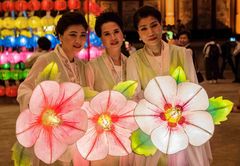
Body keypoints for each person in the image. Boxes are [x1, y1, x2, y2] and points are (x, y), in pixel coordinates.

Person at [127, 6, 211, 166]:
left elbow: (193, 88)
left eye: (154, 25)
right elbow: (135, 97)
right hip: (152, 128)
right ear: (138, 33)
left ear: (161, 26)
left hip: (182, 125)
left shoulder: (182, 53)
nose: (150, 32)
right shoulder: (134, 60)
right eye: (143, 28)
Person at [15, 11, 88, 165]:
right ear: (60, 36)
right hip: (49, 129)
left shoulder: (82, 66)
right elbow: (24, 88)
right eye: (72, 34)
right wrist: (36, 103)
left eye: (82, 35)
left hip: (70, 131)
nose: (78, 40)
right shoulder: (46, 60)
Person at [85, 12, 127, 92]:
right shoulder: (92, 67)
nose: (113, 37)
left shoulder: (130, 63)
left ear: (122, 33)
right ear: (101, 38)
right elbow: (88, 98)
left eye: (116, 31)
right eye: (107, 34)